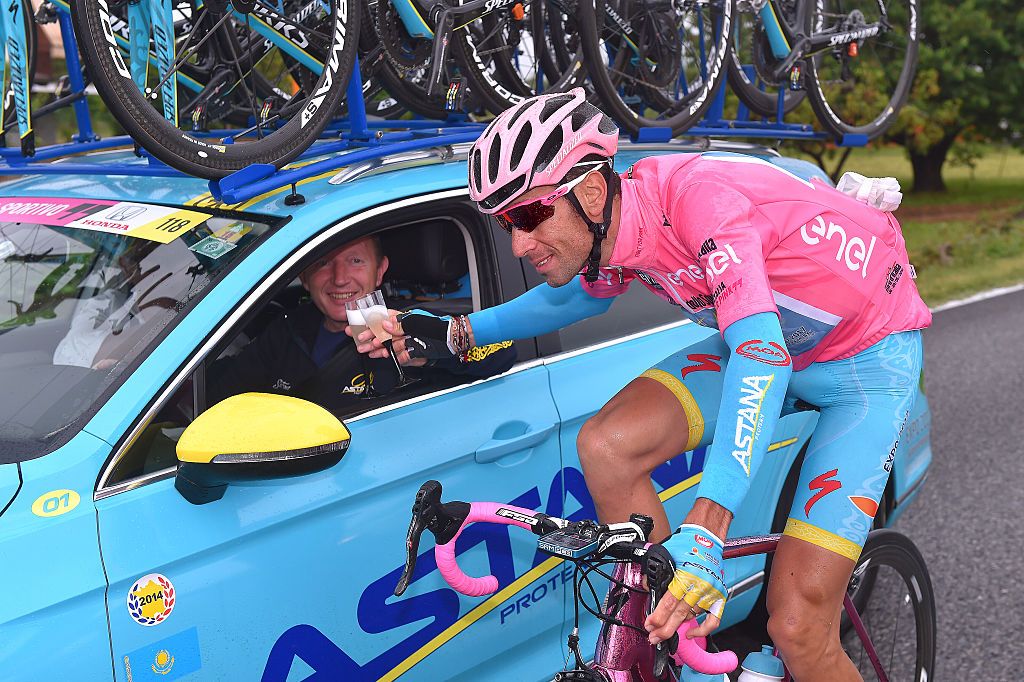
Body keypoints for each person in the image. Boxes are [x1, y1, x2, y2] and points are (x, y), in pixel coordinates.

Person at [358, 88, 931, 681]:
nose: (519, 245)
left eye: (528, 215)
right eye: (505, 223)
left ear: (588, 190)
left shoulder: (698, 202)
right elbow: (576, 295)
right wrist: (460, 334)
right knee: (606, 444)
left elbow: (761, 358)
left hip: (865, 367)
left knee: (798, 627)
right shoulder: (614, 228)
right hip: (779, 342)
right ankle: (674, 635)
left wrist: (708, 530)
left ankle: (708, 587)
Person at [207, 235, 515, 413]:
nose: (340, 278)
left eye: (355, 261)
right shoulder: (286, 328)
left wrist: (436, 345)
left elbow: (504, 353)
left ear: (380, 271)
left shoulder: (407, 325)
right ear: (303, 277)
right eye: (323, 263)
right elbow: (223, 394)